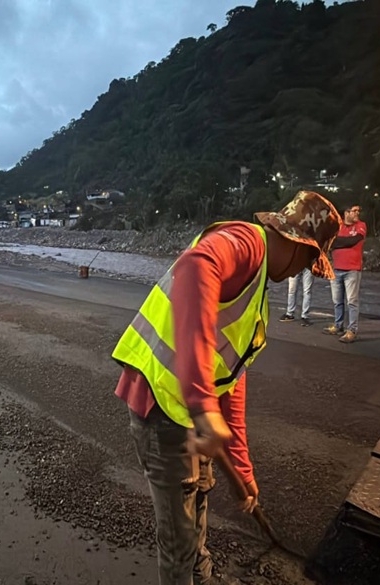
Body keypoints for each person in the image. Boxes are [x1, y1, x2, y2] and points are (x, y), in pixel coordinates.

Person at [112, 191, 342, 585]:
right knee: (179, 542)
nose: (302, 271)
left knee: (198, 507)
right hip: (161, 405)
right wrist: (203, 407)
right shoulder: (245, 242)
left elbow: (230, 382)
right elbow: (195, 266)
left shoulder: (257, 290)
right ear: (299, 245)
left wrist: (242, 467)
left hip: (188, 412)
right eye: (308, 262)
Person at [324, 204, 366, 343]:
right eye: (354, 211)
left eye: (358, 211)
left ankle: (352, 330)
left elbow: (353, 241)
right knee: (337, 301)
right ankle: (338, 325)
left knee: (352, 301)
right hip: (336, 268)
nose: (357, 213)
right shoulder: (337, 226)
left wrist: (337, 242)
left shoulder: (361, 225)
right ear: (346, 213)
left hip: (352, 269)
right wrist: (337, 242)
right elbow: (330, 242)